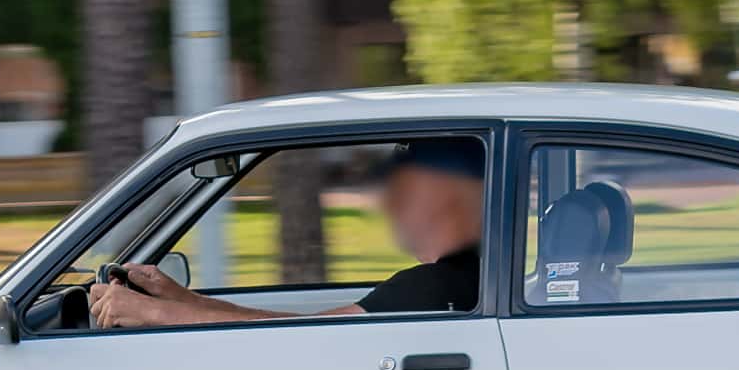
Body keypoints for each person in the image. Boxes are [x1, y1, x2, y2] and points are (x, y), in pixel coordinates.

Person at [89, 138, 485, 329]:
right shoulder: (462, 280)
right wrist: (180, 297)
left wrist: (154, 312)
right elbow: (290, 324)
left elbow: (298, 337)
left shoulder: (433, 289)